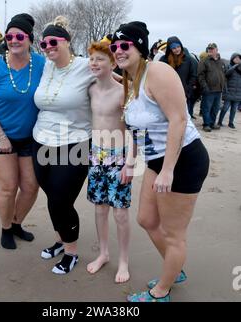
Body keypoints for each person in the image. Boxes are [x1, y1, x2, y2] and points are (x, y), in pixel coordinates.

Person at [110, 21, 210, 302]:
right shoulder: (130, 77)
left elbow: (179, 119)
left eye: (124, 45)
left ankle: (161, 292)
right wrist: (130, 162)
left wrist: (168, 170)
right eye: (115, 46)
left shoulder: (158, 72)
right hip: (156, 159)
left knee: (173, 232)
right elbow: (135, 127)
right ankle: (173, 266)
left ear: (140, 48)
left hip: (183, 159)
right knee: (146, 219)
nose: (118, 50)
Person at [32, 16, 96, 275]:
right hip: (41, 141)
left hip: (75, 143)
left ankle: (71, 252)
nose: (47, 47)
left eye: (53, 42)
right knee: (52, 196)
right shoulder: (45, 67)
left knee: (61, 199)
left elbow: (117, 79)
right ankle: (61, 239)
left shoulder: (85, 66)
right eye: (43, 43)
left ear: (67, 42)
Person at [0, 13, 45, 249]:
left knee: (30, 186)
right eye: (9, 36)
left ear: (29, 38)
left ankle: (16, 223)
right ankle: (6, 228)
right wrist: (0, 136)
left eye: (19, 36)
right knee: (8, 187)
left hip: (28, 136)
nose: (14, 40)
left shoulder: (41, 63)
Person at [86, 40, 133, 283]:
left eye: (99, 59)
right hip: (96, 155)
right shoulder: (90, 88)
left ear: (112, 63)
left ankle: (123, 260)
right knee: (99, 208)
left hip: (119, 157)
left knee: (120, 214)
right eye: (91, 59)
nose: (93, 63)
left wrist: (131, 163)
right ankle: (103, 253)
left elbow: (135, 129)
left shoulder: (124, 90)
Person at [160, 37, 197, 119]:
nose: (177, 49)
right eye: (173, 48)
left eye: (178, 47)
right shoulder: (163, 60)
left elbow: (193, 76)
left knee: (182, 117)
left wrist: (187, 89)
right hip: (167, 93)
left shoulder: (188, 60)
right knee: (167, 116)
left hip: (183, 93)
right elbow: (159, 75)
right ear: (170, 49)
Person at [198, 43, 226, 132]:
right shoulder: (204, 61)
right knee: (207, 108)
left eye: (212, 49)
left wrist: (224, 86)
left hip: (219, 90)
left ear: (216, 50)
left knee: (216, 108)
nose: (210, 50)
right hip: (209, 90)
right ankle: (206, 124)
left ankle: (212, 123)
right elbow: (200, 76)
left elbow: (223, 74)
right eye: (209, 49)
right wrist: (205, 87)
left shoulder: (221, 61)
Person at [218, 53, 241, 129]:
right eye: (236, 58)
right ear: (232, 58)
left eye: (239, 58)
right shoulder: (229, 66)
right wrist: (235, 66)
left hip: (238, 92)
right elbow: (227, 74)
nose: (238, 59)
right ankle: (220, 121)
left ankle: (231, 123)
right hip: (229, 91)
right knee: (225, 108)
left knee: (234, 109)